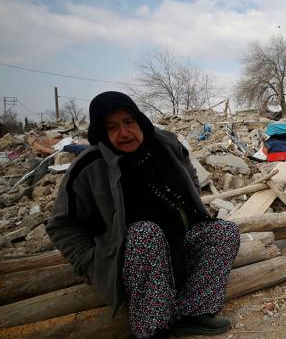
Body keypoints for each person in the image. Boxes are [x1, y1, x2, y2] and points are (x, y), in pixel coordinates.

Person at [46, 91, 240, 338]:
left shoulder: (166, 145)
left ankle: (193, 312)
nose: (124, 133)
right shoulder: (89, 167)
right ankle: (152, 328)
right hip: (131, 264)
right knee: (145, 233)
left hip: (177, 248)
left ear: (139, 120)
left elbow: (190, 178)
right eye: (113, 127)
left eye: (129, 122)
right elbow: (62, 226)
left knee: (223, 231)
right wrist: (91, 263)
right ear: (102, 132)